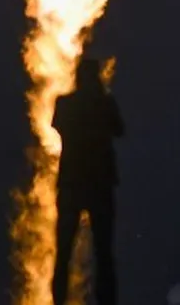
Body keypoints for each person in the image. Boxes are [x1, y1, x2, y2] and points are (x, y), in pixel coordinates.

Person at [52, 58, 124, 305]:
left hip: (72, 182)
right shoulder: (105, 104)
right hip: (100, 183)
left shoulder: (65, 103)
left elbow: (58, 126)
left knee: (64, 251)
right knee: (103, 252)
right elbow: (119, 130)